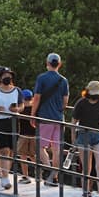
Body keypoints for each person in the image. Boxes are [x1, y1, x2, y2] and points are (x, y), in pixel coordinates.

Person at [30, 52, 69, 187]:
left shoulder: (42, 78)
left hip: (45, 117)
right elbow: (65, 102)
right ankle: (54, 177)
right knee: (57, 148)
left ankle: (48, 170)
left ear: (47, 63)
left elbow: (37, 98)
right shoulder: (63, 80)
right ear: (59, 64)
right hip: (58, 118)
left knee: (40, 146)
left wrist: (33, 114)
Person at [71, 80, 99, 197]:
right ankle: (85, 194)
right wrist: (73, 141)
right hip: (83, 134)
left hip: (98, 134)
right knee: (86, 168)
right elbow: (73, 122)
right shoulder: (81, 103)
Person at [0, 67, 24, 189]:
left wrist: (17, 109)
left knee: (11, 151)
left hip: (13, 122)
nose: (7, 77)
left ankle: (5, 174)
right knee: (4, 150)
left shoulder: (17, 90)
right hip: (0, 122)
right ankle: (5, 177)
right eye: (4, 75)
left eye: (9, 75)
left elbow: (22, 105)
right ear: (0, 78)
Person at [16, 89, 37, 183]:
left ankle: (25, 176)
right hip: (34, 135)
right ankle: (39, 174)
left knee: (23, 156)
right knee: (33, 156)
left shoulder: (21, 109)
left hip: (23, 135)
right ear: (32, 98)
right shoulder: (35, 108)